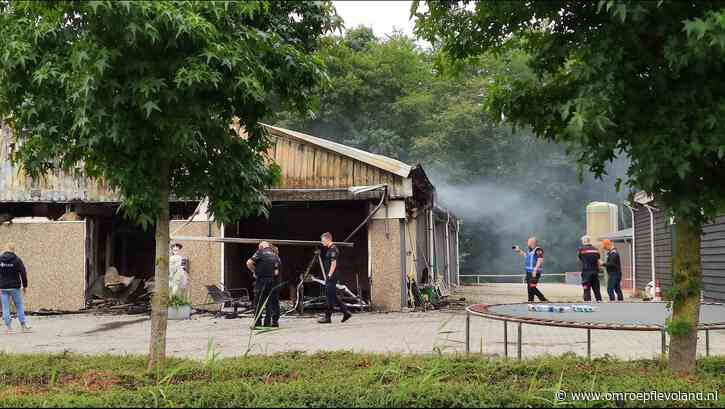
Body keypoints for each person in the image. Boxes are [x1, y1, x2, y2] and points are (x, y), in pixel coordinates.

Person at [318, 232, 352, 324]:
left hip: (332, 276)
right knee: (332, 295)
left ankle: (328, 317)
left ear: (328, 239)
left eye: (323, 240)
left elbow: (333, 264)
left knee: (329, 296)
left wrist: (329, 275)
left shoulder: (333, 249)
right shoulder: (330, 249)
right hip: (331, 276)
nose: (322, 242)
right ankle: (346, 312)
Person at [246, 241, 281, 328]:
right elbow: (276, 272)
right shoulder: (276, 255)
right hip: (273, 282)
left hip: (261, 281)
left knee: (258, 302)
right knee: (271, 302)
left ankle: (257, 322)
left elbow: (249, 263)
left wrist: (255, 271)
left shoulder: (260, 252)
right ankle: (271, 322)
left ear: (261, 247)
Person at [0, 243, 30, 334]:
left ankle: (9, 329)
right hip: (15, 287)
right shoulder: (17, 260)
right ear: (14, 249)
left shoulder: (0, 259)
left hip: (3, 287)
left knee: (5, 308)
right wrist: (25, 286)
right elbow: (23, 273)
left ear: (6, 249)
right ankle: (23, 327)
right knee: (19, 306)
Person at [513, 237, 548, 303]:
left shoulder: (538, 249)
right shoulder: (530, 250)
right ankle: (530, 300)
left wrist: (535, 270)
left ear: (532, 242)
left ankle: (543, 299)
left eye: (528, 242)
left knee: (532, 287)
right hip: (529, 272)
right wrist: (518, 250)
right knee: (529, 287)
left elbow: (540, 260)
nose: (527, 243)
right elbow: (525, 255)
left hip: (535, 272)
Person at [578, 236, 603, 303]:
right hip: (595, 271)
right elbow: (598, 259)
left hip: (586, 271)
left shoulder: (581, 249)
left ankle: (587, 300)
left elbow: (580, 258)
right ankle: (599, 300)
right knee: (596, 287)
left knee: (586, 287)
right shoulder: (596, 249)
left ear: (584, 241)